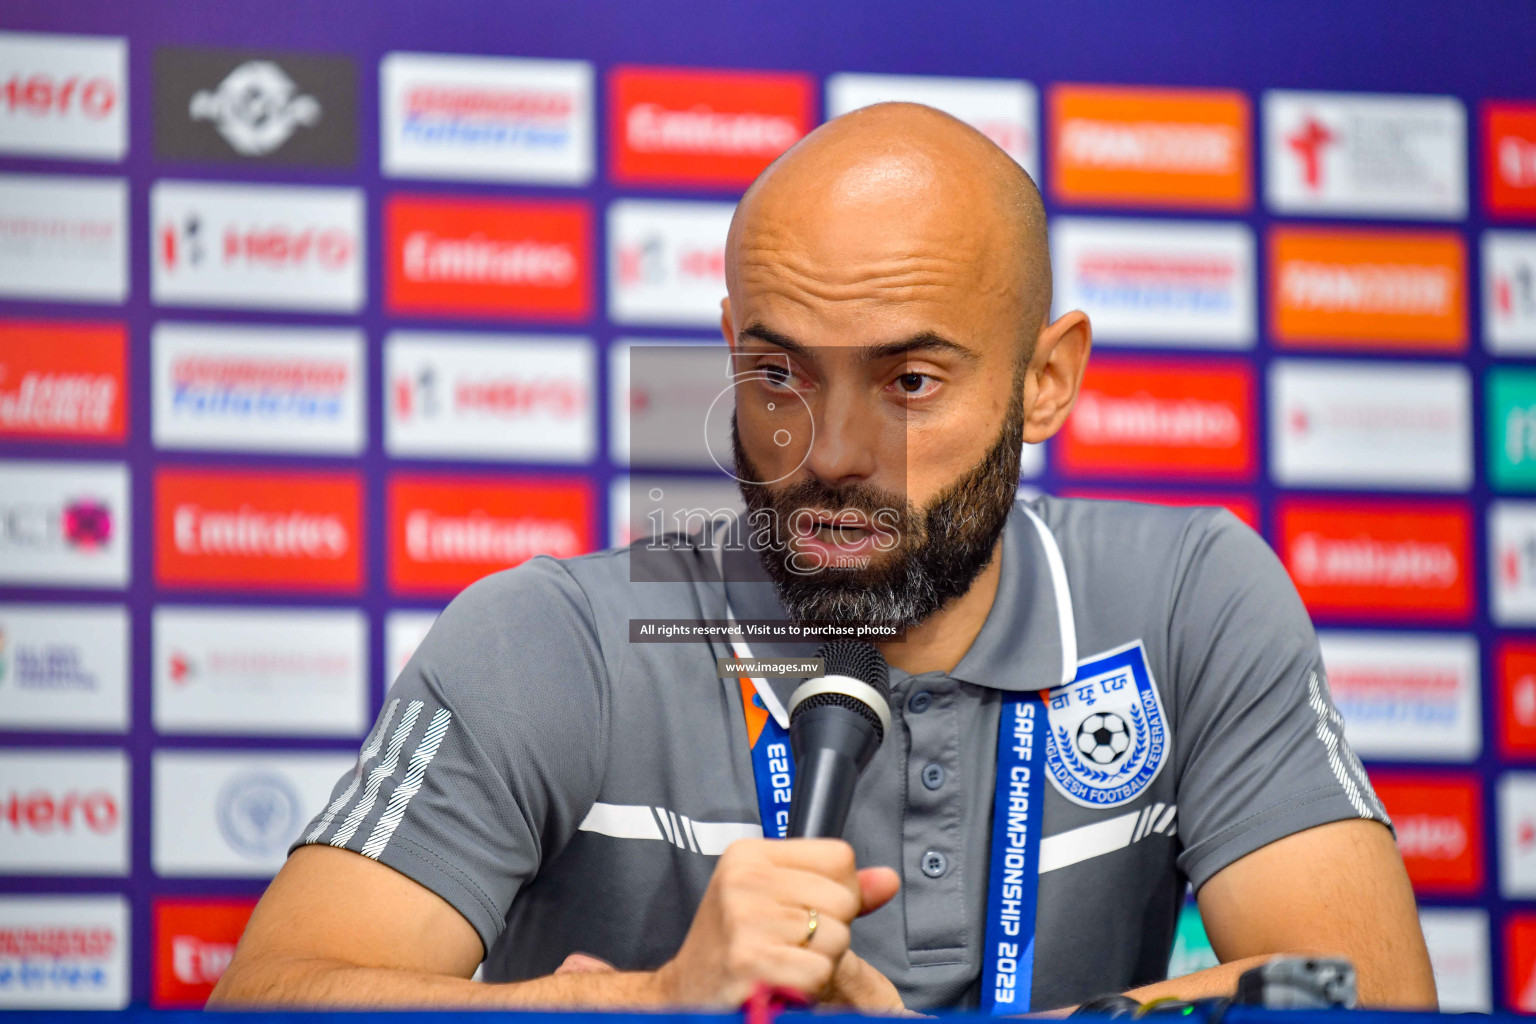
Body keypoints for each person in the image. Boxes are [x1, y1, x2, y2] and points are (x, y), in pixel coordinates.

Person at [209, 103, 1437, 1013]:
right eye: (778, 373)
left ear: (1046, 378)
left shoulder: (1186, 603)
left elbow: (1368, 1000)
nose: (831, 452)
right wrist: (648, 1002)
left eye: (909, 380)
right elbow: (266, 996)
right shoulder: (555, 638)